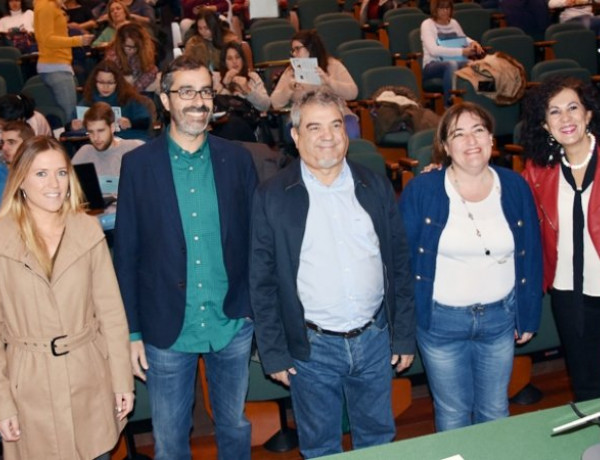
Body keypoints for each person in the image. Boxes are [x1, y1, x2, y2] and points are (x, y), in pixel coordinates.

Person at [250, 88, 416, 459]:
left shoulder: (374, 184)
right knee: (321, 447)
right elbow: (261, 282)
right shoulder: (272, 195)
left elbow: (399, 265)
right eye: (314, 127)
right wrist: (274, 352)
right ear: (295, 136)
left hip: (375, 339)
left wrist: (403, 335)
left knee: (377, 440)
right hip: (312, 348)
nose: (327, 136)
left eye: (336, 125)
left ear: (347, 131)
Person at [113, 55, 258, 460]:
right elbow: (126, 254)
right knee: (171, 439)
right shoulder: (138, 165)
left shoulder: (238, 159)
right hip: (165, 326)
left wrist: (251, 309)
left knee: (234, 426)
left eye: (206, 91)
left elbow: (255, 241)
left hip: (230, 321)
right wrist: (132, 333)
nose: (199, 101)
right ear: (165, 99)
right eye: (187, 91)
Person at [398, 102, 542, 432]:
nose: (471, 140)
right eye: (458, 134)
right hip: (441, 323)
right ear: (446, 147)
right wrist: (403, 329)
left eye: (478, 130)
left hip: (500, 319)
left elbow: (531, 254)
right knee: (452, 413)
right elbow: (402, 264)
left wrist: (528, 313)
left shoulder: (515, 186)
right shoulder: (423, 190)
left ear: (491, 138)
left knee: (495, 409)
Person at [0, 135, 134, 459]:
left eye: (61, 173)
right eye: (41, 173)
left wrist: (122, 381)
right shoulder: (2, 238)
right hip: (27, 388)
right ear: (20, 180)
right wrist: (3, 401)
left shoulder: (87, 230)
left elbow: (111, 313)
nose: (54, 184)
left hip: (88, 379)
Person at [521, 76, 600, 402]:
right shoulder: (539, 171)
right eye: (555, 112)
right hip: (569, 295)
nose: (565, 119)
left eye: (572, 108)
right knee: (586, 385)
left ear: (588, 115)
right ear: (545, 123)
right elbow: (505, 202)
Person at [271, 30, 360, 139]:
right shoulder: (291, 71)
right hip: (305, 117)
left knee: (351, 132)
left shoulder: (332, 65)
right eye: (293, 50)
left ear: (311, 48)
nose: (294, 54)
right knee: (309, 138)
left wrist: (329, 82)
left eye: (298, 49)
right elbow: (275, 103)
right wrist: (289, 88)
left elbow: (353, 93)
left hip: (336, 114)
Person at [34, 0, 94, 123]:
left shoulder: (52, 6)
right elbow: (47, 39)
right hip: (55, 65)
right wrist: (77, 41)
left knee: (70, 114)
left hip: (59, 64)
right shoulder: (46, 6)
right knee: (70, 116)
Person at [420, 0, 484, 106]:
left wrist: (473, 43)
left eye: (447, 8)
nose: (445, 11)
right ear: (435, 9)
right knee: (451, 64)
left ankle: (483, 100)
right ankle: (450, 104)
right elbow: (434, 50)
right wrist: (462, 52)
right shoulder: (427, 24)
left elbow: (463, 38)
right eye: (441, 8)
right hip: (432, 65)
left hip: (456, 60)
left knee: (475, 65)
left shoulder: (453, 23)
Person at [70, 60, 153, 140]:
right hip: (98, 144)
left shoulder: (129, 99)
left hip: (128, 139)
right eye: (101, 82)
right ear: (94, 82)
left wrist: (131, 123)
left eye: (110, 83)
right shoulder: (87, 100)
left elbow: (145, 122)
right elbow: (70, 124)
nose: (105, 87)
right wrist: (72, 126)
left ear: (118, 82)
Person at [72, 101, 143, 191]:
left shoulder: (133, 148)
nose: (96, 137)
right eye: (91, 132)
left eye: (101, 131)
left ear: (112, 128)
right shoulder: (84, 153)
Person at [212, 41, 270, 142]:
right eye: (230, 58)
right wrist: (224, 85)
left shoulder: (252, 77)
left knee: (234, 125)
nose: (234, 62)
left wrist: (247, 90)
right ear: (224, 62)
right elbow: (211, 105)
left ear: (243, 60)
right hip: (223, 128)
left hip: (249, 126)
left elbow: (266, 105)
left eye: (237, 57)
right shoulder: (216, 78)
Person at [104, 22, 158, 93]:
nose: (132, 50)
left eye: (136, 47)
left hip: (137, 86)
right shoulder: (112, 56)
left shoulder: (143, 51)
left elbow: (151, 70)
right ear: (120, 44)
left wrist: (136, 88)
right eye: (128, 47)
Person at [182, 7, 237, 72]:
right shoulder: (193, 43)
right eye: (200, 28)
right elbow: (187, 65)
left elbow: (235, 64)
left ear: (213, 26)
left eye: (206, 28)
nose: (203, 32)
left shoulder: (229, 40)